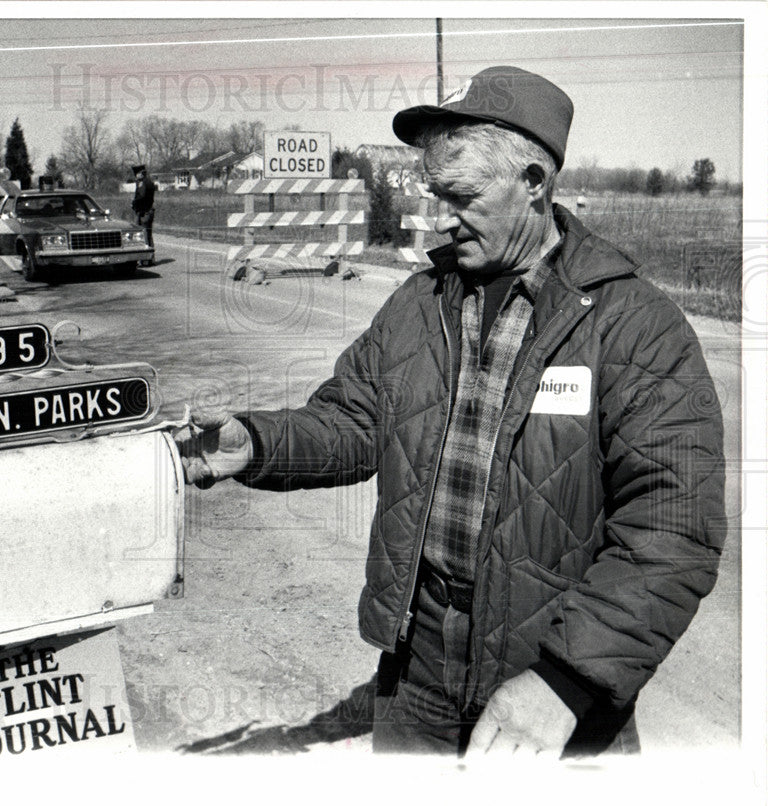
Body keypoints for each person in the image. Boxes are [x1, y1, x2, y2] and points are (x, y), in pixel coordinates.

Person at [174, 66, 726, 757]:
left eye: (461, 196)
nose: (441, 217)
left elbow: (673, 531)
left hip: (548, 692)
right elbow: (355, 422)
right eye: (436, 195)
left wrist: (565, 682)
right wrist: (256, 444)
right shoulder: (421, 301)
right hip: (417, 672)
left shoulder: (637, 326)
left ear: (534, 183)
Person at [131, 164, 156, 263]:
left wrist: (133, 203)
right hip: (149, 211)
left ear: (141, 173)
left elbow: (141, 197)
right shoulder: (149, 182)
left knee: (142, 235)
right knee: (148, 235)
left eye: (137, 174)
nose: (136, 176)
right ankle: (150, 259)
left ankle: (145, 259)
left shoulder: (142, 184)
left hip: (143, 212)